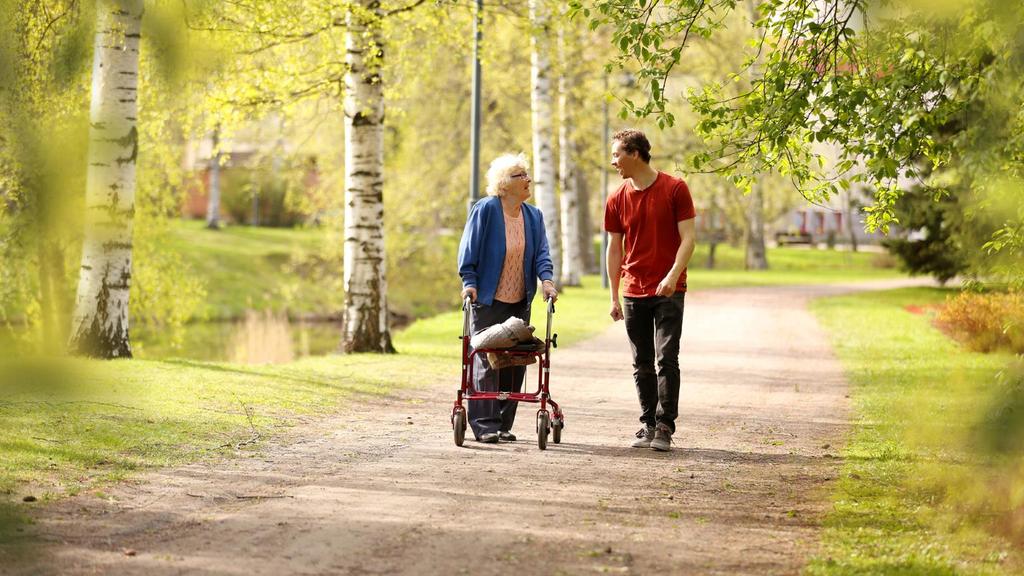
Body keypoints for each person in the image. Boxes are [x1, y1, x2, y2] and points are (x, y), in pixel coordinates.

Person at [604, 130, 696, 452]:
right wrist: (614, 295)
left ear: (635, 153)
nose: (613, 161)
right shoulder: (616, 198)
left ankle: (665, 426)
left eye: (617, 154)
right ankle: (648, 423)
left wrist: (673, 274)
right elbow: (614, 248)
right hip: (633, 290)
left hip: (669, 288)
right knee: (641, 361)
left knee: (666, 358)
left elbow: (688, 239)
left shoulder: (675, 189)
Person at [458, 153, 558, 444]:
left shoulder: (533, 215)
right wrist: (469, 282)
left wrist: (547, 281)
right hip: (488, 298)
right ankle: (484, 424)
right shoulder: (486, 210)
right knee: (487, 359)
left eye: (527, 174)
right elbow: (469, 249)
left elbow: (541, 254)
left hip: (519, 299)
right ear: (504, 183)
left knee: (514, 359)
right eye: (521, 175)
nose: (528, 179)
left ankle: (503, 422)